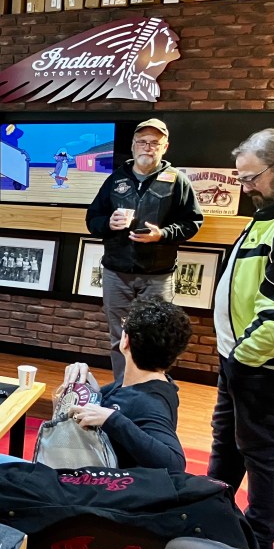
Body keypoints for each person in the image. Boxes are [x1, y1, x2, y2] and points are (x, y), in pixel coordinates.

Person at [207, 128, 274, 549]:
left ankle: (259, 546)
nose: (245, 187)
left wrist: (241, 359)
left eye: (251, 177)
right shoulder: (269, 214)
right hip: (240, 359)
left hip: (263, 366)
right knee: (228, 443)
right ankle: (213, 516)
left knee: (264, 454)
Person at [85, 118, 203, 380]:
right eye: (142, 142)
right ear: (133, 145)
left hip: (157, 276)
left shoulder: (178, 181)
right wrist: (108, 223)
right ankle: (123, 387)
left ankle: (150, 391)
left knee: (156, 338)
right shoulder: (115, 179)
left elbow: (192, 223)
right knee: (119, 337)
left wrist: (162, 234)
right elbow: (92, 220)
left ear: (165, 147)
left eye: (154, 143)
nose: (147, 147)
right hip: (116, 274)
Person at [65, 296, 192, 472]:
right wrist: (87, 386)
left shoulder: (150, 403)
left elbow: (174, 464)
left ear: (126, 341)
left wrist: (112, 420)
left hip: (112, 484)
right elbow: (119, 402)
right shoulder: (145, 383)